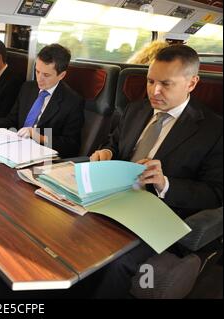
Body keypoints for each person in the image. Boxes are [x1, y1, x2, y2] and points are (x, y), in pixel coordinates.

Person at [90, 44, 223, 298]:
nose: (154, 91)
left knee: (118, 263)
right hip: (116, 200)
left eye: (166, 84)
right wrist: (106, 152)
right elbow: (114, 143)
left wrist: (166, 184)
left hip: (164, 214)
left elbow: (216, 193)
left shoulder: (214, 130)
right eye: (150, 81)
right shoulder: (135, 109)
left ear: (192, 83)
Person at [0, 44, 84, 158]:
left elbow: (71, 146)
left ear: (61, 75)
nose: (39, 79)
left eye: (46, 75)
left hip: (43, 156)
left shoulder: (73, 102)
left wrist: (36, 135)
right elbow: (12, 119)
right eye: (37, 71)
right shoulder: (28, 88)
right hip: (17, 149)